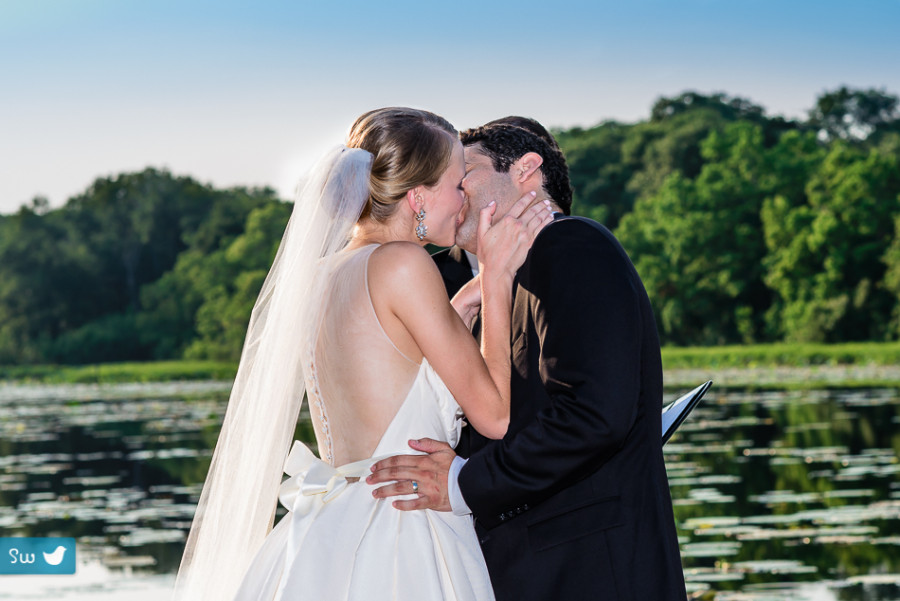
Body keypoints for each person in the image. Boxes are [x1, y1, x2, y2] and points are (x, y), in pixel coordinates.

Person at [173, 108, 554, 601]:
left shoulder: (321, 274)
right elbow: (497, 416)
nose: (464, 200)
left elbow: (395, 360)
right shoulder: (405, 263)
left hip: (324, 529)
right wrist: (498, 279)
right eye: (458, 184)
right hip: (400, 532)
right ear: (418, 197)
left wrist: (465, 300)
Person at [369, 120, 689, 600]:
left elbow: (594, 415)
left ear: (526, 169)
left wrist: (463, 481)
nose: (451, 190)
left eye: (465, 173)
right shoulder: (456, 285)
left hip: (588, 572)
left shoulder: (570, 245)